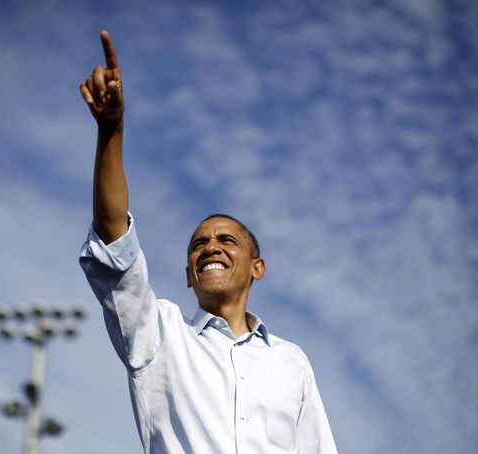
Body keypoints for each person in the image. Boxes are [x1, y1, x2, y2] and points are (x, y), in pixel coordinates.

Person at [78, 30, 337, 454]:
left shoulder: (292, 362)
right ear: (187, 275)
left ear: (258, 266)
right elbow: (114, 243)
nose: (210, 248)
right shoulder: (158, 335)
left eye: (227, 240)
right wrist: (112, 131)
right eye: (198, 244)